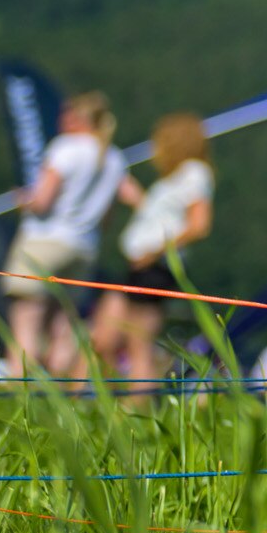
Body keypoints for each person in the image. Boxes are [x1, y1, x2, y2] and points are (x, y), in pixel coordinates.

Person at [5, 91, 126, 380]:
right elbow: (107, 218)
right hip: (84, 248)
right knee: (64, 324)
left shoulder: (65, 148)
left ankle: (19, 393)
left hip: (44, 241)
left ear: (79, 118)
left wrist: (23, 200)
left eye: (67, 114)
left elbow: (42, 202)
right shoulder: (114, 158)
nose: (62, 119)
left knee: (27, 320)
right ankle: (60, 394)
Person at [90, 113, 212, 384]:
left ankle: (134, 411)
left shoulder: (194, 172)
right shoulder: (178, 177)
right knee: (104, 337)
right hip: (141, 265)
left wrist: (154, 252)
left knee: (138, 346)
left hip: (155, 267)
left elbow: (199, 225)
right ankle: (105, 403)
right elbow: (163, 219)